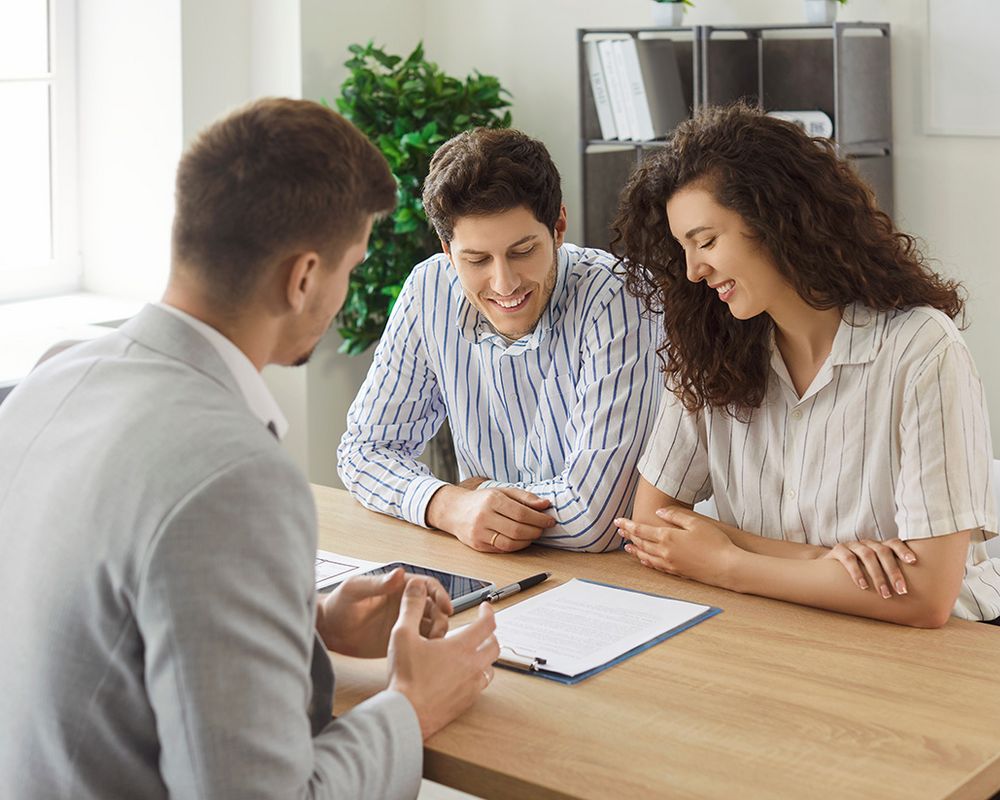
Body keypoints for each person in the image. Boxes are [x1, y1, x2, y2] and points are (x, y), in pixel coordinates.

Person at [0, 98, 500, 800]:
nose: (345, 289)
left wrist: (308, 623)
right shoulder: (233, 479)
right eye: (349, 266)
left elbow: (101, 624)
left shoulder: (51, 379)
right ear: (303, 279)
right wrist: (412, 708)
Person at [612, 103, 1000, 628]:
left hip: (932, 649)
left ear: (777, 220)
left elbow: (928, 595)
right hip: (776, 630)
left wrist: (727, 561)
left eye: (705, 241)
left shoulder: (921, 350)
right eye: (684, 248)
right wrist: (819, 559)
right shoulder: (710, 349)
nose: (694, 269)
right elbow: (651, 527)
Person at [338, 127, 661, 554]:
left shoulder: (620, 296)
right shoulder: (428, 289)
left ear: (559, 226)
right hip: (492, 567)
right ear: (447, 249)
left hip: (616, 583)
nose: (504, 283)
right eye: (476, 260)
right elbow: (363, 451)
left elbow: (594, 519)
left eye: (522, 251)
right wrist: (449, 504)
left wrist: (481, 496)